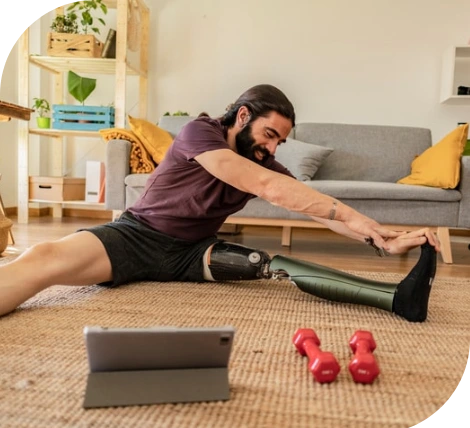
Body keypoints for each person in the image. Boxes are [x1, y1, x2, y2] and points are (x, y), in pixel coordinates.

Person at [0, 84, 440, 321]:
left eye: (281, 142)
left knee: (273, 265)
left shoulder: (262, 160)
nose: (273, 148)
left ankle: (397, 298)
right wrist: (349, 213)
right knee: (45, 257)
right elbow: (264, 186)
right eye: (270, 135)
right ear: (243, 116)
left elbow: (312, 207)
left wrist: (381, 237)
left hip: (192, 252)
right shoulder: (200, 132)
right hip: (135, 238)